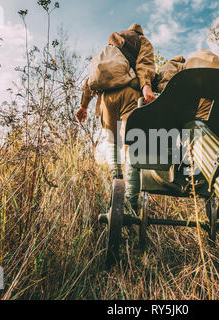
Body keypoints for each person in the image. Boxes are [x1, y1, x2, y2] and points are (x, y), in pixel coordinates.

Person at [76, 23, 156, 213]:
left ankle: (116, 189)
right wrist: (146, 86)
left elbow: (91, 79)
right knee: (132, 144)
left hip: (106, 99)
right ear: (140, 33)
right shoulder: (142, 41)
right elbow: (144, 63)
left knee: (113, 142)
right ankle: (129, 204)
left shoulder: (112, 45)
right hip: (129, 93)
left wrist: (84, 105)